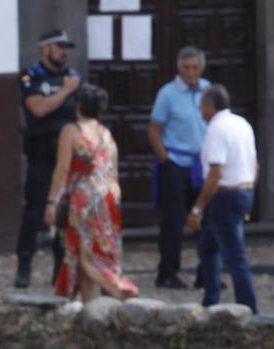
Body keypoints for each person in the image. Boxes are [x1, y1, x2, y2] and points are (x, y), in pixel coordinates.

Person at [46, 84, 136, 304]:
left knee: (83, 254)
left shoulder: (71, 131)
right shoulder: (106, 134)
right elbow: (112, 170)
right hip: (109, 196)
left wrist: (51, 202)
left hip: (83, 198)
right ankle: (90, 306)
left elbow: (63, 167)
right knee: (102, 249)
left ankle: (117, 287)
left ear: (78, 107)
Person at [14, 29, 78, 290]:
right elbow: (37, 109)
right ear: (46, 49)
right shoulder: (31, 76)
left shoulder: (71, 77)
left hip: (66, 154)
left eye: (66, 47)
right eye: (59, 47)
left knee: (65, 210)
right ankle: (24, 265)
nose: (64, 52)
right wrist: (64, 93)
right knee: (34, 210)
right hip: (41, 154)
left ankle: (59, 269)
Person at [187, 84, 257, 311]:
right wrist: (248, 194)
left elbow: (216, 173)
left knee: (234, 256)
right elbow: (255, 164)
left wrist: (197, 208)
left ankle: (249, 307)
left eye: (201, 107)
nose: (200, 112)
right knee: (207, 247)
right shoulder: (242, 123)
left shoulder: (217, 129)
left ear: (210, 106)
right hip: (243, 190)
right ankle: (210, 299)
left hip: (225, 196)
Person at [146, 46, 207, 290]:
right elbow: (154, 130)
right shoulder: (167, 94)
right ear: (178, 68)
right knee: (172, 222)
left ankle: (207, 272)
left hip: (202, 164)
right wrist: (166, 159)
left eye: (195, 67)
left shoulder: (207, 89)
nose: (191, 73)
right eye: (186, 68)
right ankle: (168, 272)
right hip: (176, 163)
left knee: (205, 218)